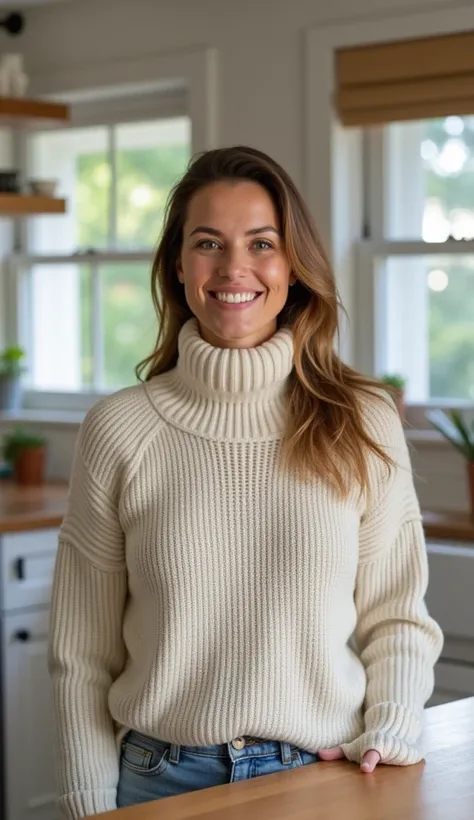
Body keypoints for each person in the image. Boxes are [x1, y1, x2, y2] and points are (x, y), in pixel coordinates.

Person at [48, 145, 443, 819]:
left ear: (294, 266)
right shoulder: (119, 428)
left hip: (324, 776)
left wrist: (395, 724)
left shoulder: (362, 419)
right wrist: (90, 804)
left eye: (262, 243)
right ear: (178, 265)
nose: (235, 268)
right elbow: (81, 655)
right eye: (209, 243)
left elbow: (397, 614)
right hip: (157, 780)